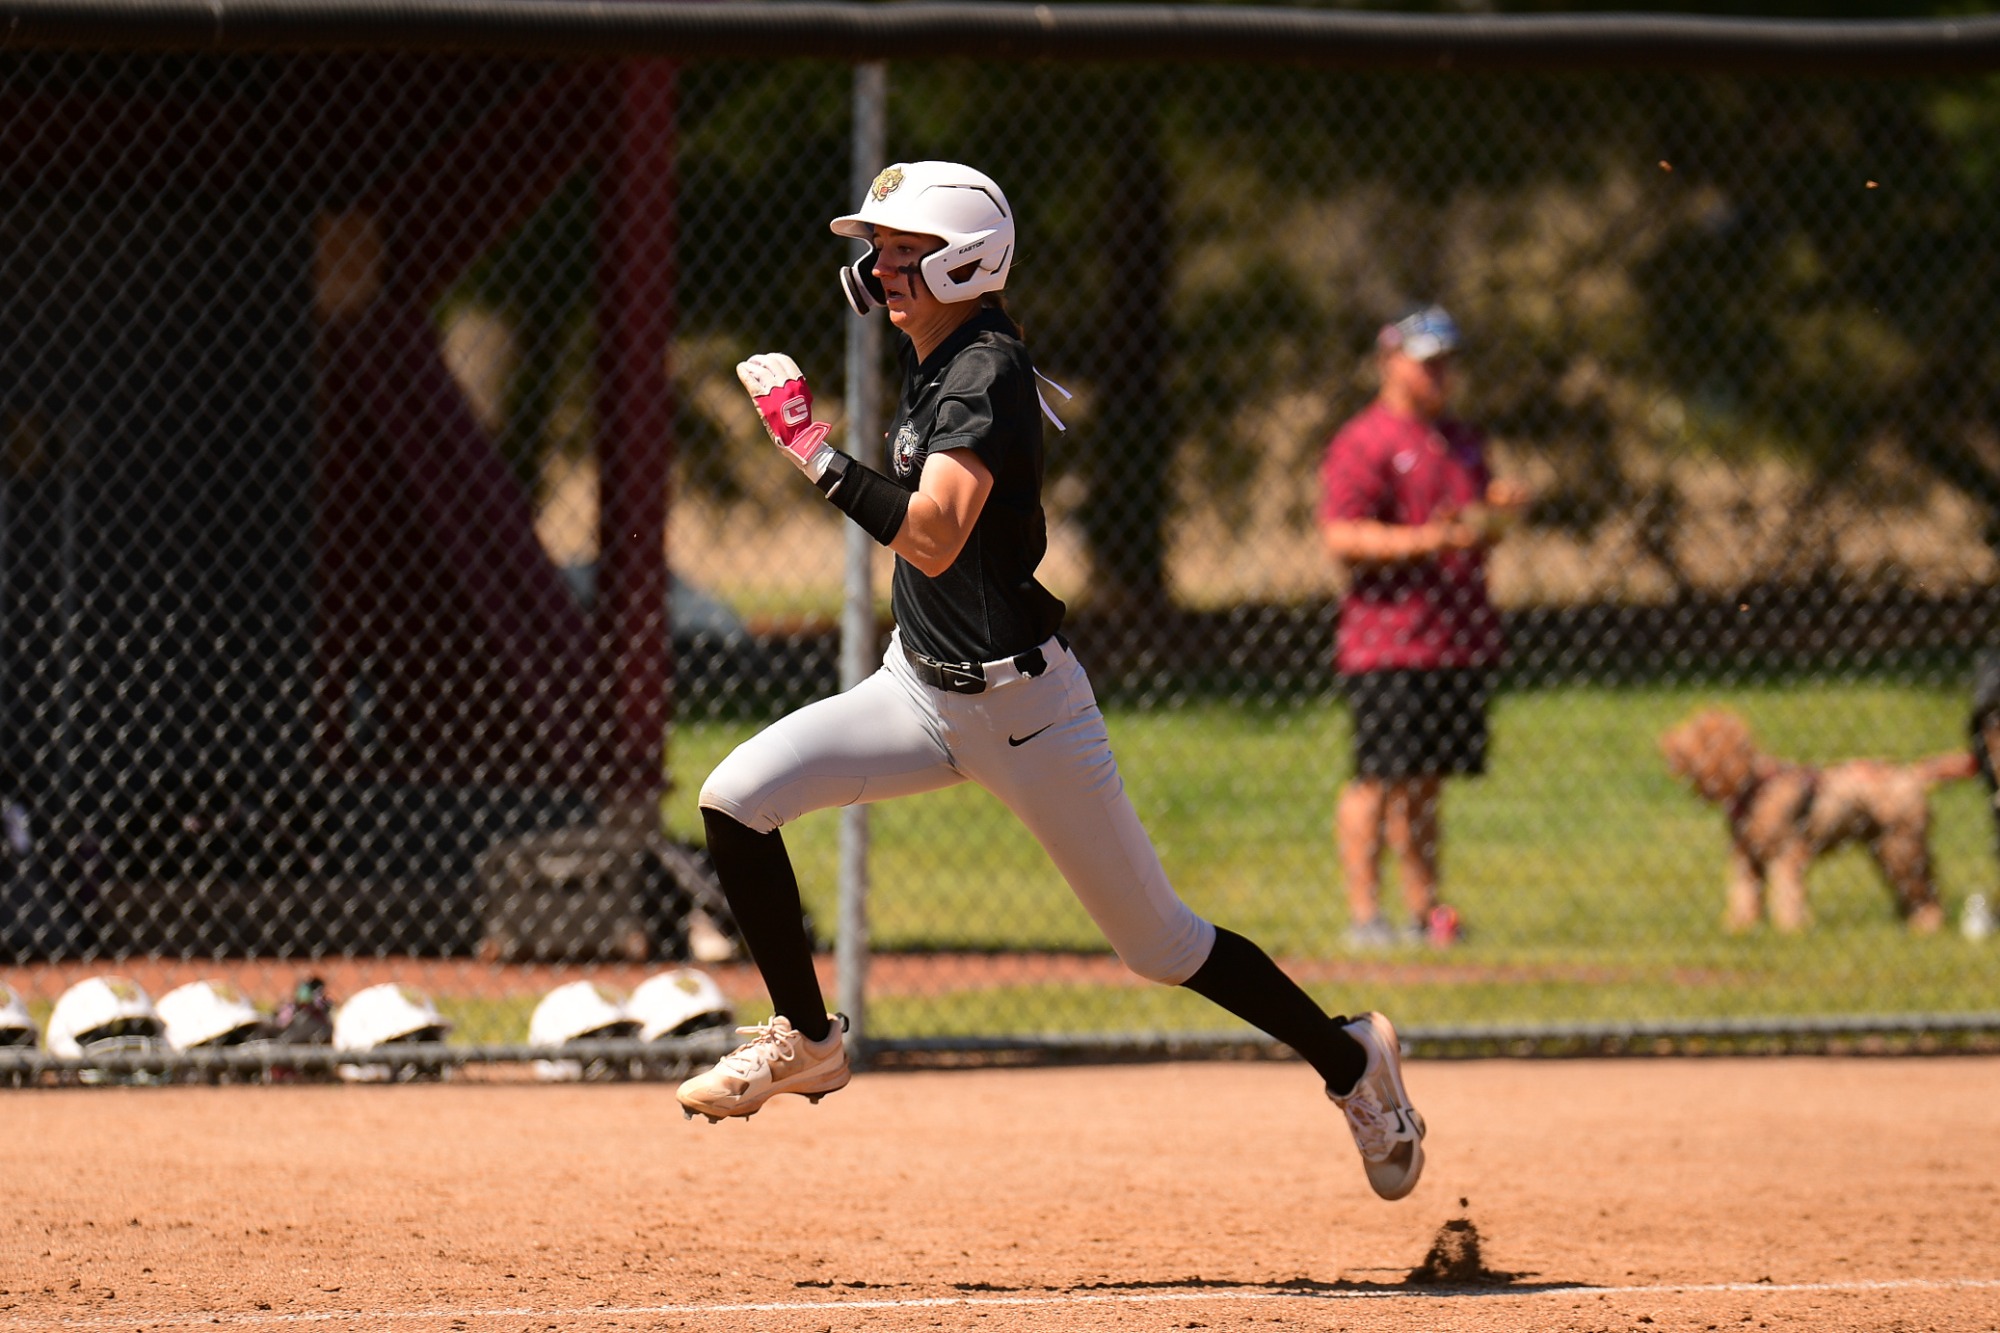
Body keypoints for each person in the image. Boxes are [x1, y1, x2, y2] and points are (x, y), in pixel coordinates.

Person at [675, 160, 1427, 1201]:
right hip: (917, 692)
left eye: (902, 253)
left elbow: (934, 536)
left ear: (965, 261)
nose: (878, 270)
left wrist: (811, 449)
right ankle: (807, 1035)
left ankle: (1351, 1058)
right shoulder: (936, 354)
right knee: (734, 799)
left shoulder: (981, 368)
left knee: (1161, 944)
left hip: (1025, 713)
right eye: (877, 252)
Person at [1318, 305, 1526, 951]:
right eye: (1427, 360)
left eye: (1448, 361)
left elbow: (1468, 520)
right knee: (1376, 779)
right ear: (1391, 362)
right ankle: (1365, 917)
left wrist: (1496, 512)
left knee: (1428, 782)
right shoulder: (1365, 441)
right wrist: (1426, 540)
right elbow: (1341, 535)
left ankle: (1424, 910)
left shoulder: (1462, 439)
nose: (1440, 373)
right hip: (1389, 642)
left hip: (1454, 636)